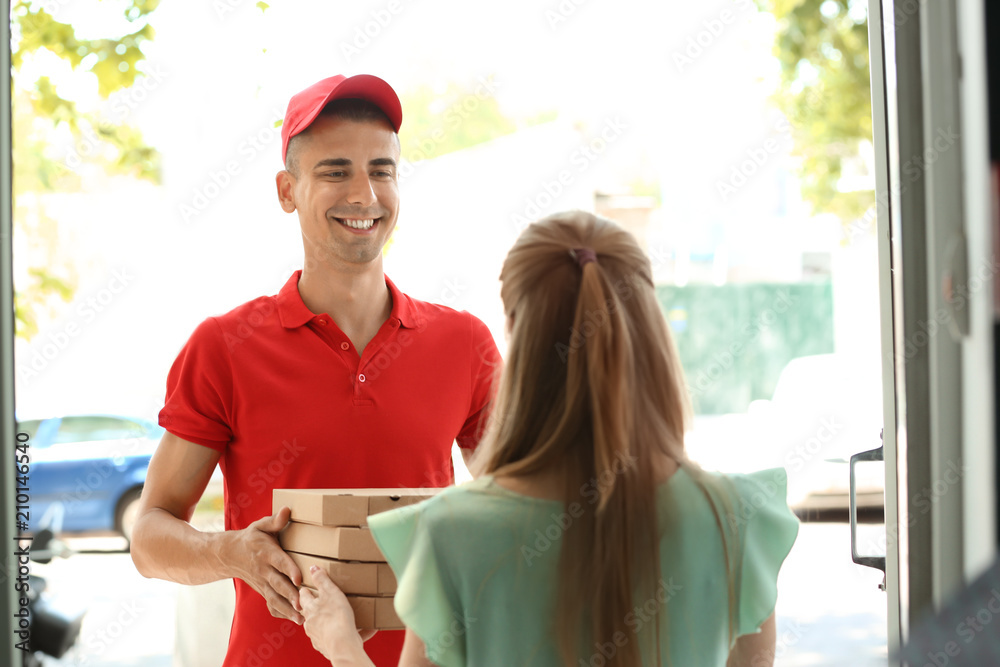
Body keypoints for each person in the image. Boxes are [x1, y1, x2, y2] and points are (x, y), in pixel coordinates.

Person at [297, 211, 800, 666]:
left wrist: (340, 643)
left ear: (516, 331)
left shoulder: (452, 535)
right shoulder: (738, 520)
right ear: (648, 325)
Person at [129, 74, 501, 667]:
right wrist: (233, 553)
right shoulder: (225, 346)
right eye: (335, 171)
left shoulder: (465, 343)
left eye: (382, 170)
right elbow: (149, 538)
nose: (365, 195)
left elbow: (520, 510)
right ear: (287, 190)